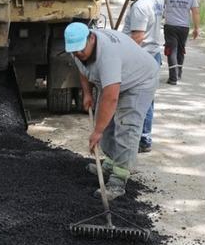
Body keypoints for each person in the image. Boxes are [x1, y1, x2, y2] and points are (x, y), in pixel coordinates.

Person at [65, 22, 159, 201]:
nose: (77, 53)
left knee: (126, 126)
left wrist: (97, 131)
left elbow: (111, 96)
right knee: (105, 120)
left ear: (91, 38)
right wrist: (86, 94)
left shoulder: (108, 56)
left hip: (140, 80)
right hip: (117, 79)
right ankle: (110, 162)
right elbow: (83, 69)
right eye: (74, 51)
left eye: (80, 50)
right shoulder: (78, 48)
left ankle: (118, 179)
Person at [121, 0, 163, 153]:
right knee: (148, 98)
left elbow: (137, 37)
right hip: (154, 55)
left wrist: (122, 57)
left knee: (137, 100)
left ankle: (140, 139)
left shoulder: (139, 6)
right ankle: (145, 136)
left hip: (142, 57)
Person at [162, 0, 200, 86]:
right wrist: (197, 28)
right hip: (184, 27)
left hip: (170, 26)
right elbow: (196, 12)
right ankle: (178, 74)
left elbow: (159, 6)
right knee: (180, 50)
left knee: (171, 51)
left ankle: (173, 78)